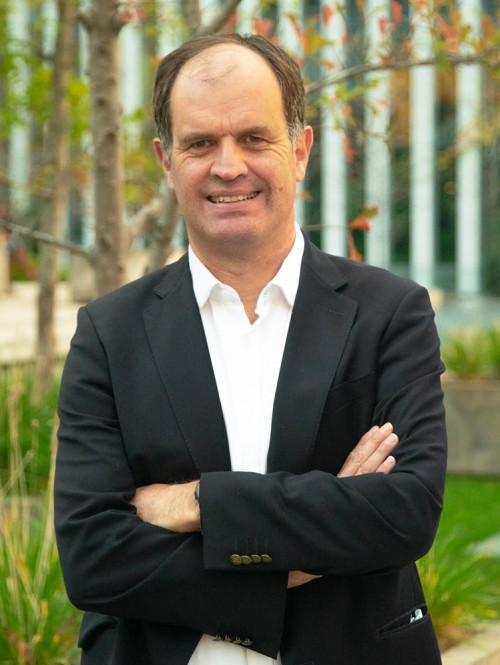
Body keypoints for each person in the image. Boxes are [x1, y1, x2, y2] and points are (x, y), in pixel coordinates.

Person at [54, 33, 447, 665]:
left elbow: (404, 514)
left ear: (300, 150)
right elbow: (93, 559)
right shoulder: (109, 332)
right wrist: (312, 543)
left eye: (254, 138)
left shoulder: (389, 313)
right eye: (200, 143)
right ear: (166, 161)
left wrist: (193, 503)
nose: (229, 166)